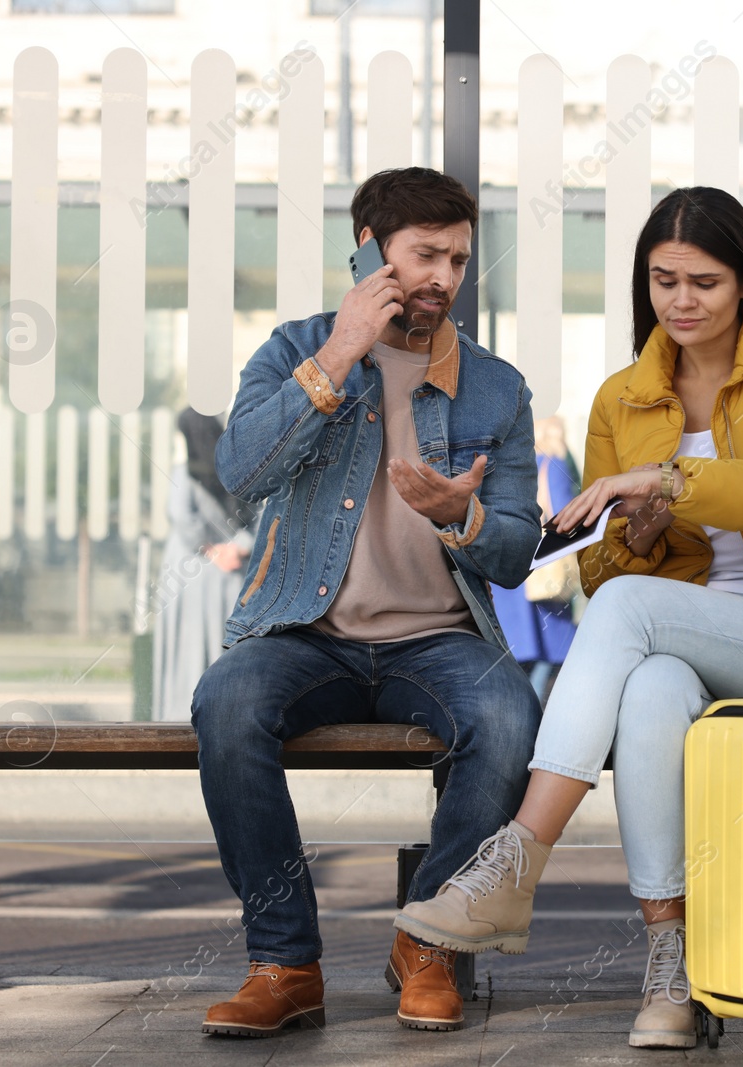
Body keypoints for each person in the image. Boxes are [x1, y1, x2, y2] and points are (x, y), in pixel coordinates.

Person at [394, 185, 743, 1050]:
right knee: (649, 687)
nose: (682, 301)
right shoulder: (624, 398)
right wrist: (645, 536)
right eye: (663, 281)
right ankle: (672, 964)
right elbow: (605, 570)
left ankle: (517, 860)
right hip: (676, 639)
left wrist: (665, 481)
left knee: (631, 614)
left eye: (705, 282)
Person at [190, 167, 544, 1037]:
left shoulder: (497, 389)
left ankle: (426, 940)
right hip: (306, 631)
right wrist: (340, 355)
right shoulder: (293, 351)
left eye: (459, 259)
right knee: (226, 701)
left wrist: (458, 513)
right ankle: (285, 961)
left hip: (440, 640)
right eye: (426, 254)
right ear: (368, 253)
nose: (445, 277)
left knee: (507, 717)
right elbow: (241, 473)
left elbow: (516, 552)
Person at [151, 409, 256, 722]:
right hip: (230, 575)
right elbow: (257, 515)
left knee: (187, 647)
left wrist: (211, 550)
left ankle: (180, 713)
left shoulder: (183, 472)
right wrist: (236, 548)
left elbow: (183, 520)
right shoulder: (238, 469)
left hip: (188, 574)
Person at [490, 416, 580, 703]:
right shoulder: (555, 463)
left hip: (515, 571)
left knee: (524, 653)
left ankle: (522, 709)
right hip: (544, 571)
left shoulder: (519, 463)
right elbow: (565, 512)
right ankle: (537, 714)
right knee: (551, 653)